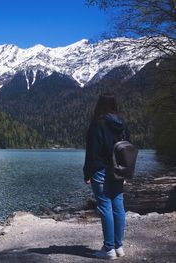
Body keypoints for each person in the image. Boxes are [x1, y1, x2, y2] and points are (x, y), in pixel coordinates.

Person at [83, 93, 130, 260]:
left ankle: (108, 248)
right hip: (118, 170)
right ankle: (119, 246)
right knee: (118, 206)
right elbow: (126, 148)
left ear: (100, 105)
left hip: (101, 169)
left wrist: (87, 173)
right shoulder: (122, 124)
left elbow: (92, 152)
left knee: (105, 207)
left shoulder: (98, 124)